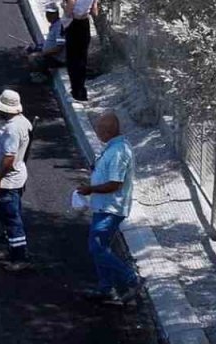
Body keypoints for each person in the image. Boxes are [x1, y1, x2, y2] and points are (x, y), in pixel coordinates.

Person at [76, 113, 140, 304]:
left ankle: (131, 278)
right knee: (100, 247)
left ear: (108, 131)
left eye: (98, 130)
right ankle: (106, 289)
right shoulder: (113, 147)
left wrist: (90, 189)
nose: (96, 133)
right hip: (104, 206)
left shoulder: (118, 152)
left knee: (96, 247)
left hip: (110, 208)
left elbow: (115, 184)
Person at [0, 90, 32, 272]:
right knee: (6, 216)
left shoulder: (12, 129)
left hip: (8, 182)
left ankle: (20, 257)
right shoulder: (23, 122)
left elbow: (9, 157)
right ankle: (12, 249)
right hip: (14, 179)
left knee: (12, 218)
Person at [63, 0, 98, 101]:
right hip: (85, 24)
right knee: (82, 59)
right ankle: (82, 91)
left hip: (74, 24)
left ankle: (74, 90)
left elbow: (71, 4)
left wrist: (66, 9)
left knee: (72, 58)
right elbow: (95, 11)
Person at [25, 2, 67, 76]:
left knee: (33, 57)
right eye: (47, 13)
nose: (48, 16)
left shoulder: (59, 27)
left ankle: (40, 76)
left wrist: (41, 53)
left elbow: (59, 47)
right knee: (29, 49)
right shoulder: (54, 25)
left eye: (51, 14)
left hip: (57, 58)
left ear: (57, 14)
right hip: (51, 54)